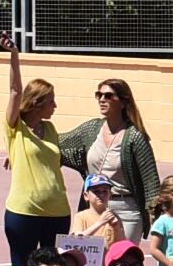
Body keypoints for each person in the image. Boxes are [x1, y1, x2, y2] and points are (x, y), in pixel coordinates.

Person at [62, 75, 162, 237]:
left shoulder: (134, 136)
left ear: (123, 102)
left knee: (122, 253)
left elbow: (150, 182)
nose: (102, 99)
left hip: (126, 210)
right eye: (99, 95)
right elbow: (59, 143)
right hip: (94, 209)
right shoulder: (91, 129)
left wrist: (156, 217)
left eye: (108, 96)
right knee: (93, 254)